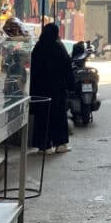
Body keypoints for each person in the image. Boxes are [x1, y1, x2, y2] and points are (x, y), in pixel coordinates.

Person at [29, 23, 75, 154]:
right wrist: (71, 86)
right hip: (57, 91)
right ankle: (60, 144)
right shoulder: (58, 47)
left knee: (42, 117)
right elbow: (68, 68)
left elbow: (33, 70)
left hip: (40, 91)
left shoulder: (38, 48)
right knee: (58, 116)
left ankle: (45, 147)